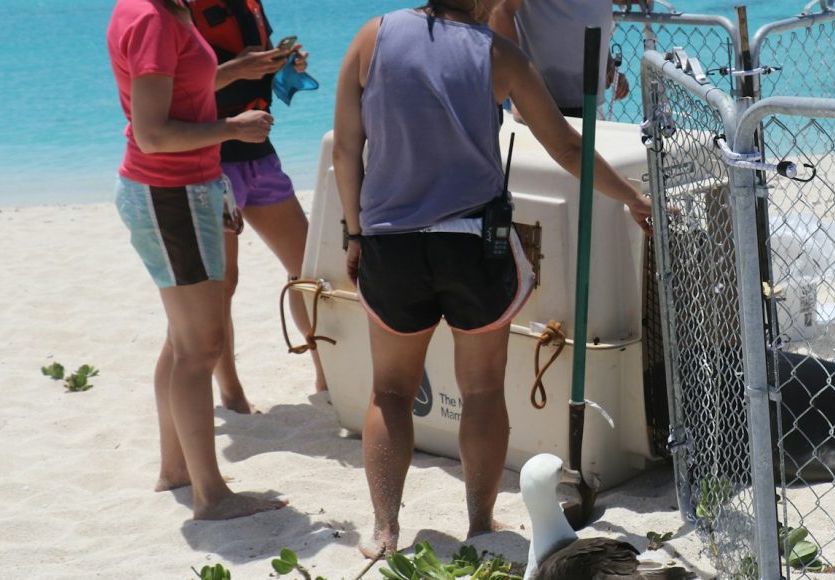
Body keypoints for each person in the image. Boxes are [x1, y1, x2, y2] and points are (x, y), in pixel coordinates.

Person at [333, 0, 652, 556]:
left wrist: (355, 234)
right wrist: (631, 197)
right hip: (473, 245)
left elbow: (345, 148)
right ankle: (480, 523)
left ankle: (385, 530)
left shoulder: (371, 37)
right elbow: (567, 147)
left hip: (391, 244)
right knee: (481, 392)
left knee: (389, 393)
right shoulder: (500, 55)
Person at [106, 0, 286, 519]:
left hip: (182, 190)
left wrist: (235, 71)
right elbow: (153, 133)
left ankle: (176, 470)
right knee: (199, 347)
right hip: (170, 193)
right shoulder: (152, 17)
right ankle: (211, 495)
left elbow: (181, 87)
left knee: (182, 341)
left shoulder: (167, 10)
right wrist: (233, 128)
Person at [189, 0, 327, 414]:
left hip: (258, 154)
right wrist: (238, 69)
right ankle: (231, 394)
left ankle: (326, 372)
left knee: (309, 267)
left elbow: (254, 69)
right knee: (223, 283)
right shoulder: (180, 9)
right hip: (210, 159)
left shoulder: (250, 4)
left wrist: (283, 66)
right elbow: (173, 88)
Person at [489, 0, 648, 120]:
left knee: (584, 160)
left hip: (590, 102)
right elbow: (500, 9)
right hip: (539, 102)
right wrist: (518, 94)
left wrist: (607, 66)